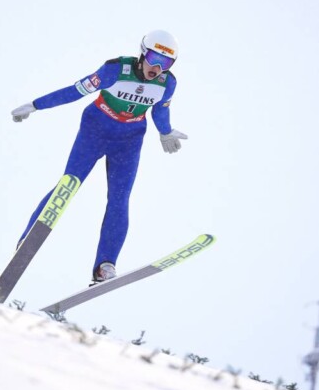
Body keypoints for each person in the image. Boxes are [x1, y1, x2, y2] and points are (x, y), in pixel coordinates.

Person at [10, 30, 188, 283]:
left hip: (129, 140)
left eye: (166, 62)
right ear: (142, 53)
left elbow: (159, 111)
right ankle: (27, 240)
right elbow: (76, 91)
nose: (157, 67)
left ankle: (105, 265)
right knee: (68, 184)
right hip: (95, 130)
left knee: (119, 199)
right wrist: (36, 105)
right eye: (153, 57)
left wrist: (165, 132)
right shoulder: (115, 69)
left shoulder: (167, 83)